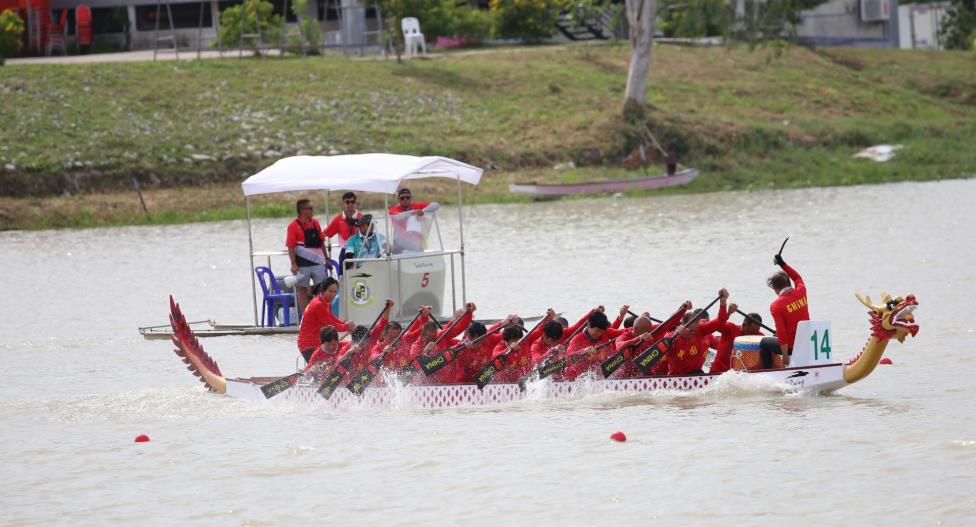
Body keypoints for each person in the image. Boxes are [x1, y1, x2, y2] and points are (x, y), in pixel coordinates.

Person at [665, 289, 730, 376]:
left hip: (697, 374)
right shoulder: (671, 336)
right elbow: (662, 345)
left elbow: (720, 321)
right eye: (690, 330)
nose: (692, 333)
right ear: (682, 325)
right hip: (677, 376)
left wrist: (723, 302)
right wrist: (676, 334)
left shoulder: (701, 329)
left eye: (695, 331)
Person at [287, 199, 331, 315]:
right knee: (302, 291)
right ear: (302, 210)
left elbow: (321, 242)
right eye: (310, 208)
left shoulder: (315, 223)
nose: (313, 210)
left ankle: (321, 314)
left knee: (321, 289)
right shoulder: (292, 226)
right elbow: (291, 246)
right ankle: (306, 316)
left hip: (318, 263)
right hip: (302, 264)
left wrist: (327, 259)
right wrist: (293, 264)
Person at [560, 309, 627, 381]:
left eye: (602, 331)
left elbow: (625, 332)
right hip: (577, 378)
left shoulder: (606, 332)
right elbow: (567, 359)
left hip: (597, 375)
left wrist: (637, 329)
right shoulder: (577, 339)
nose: (599, 334)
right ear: (589, 325)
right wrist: (583, 351)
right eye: (597, 331)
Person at [296, 277, 351, 363]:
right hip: (309, 345)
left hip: (317, 342)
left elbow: (332, 317)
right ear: (323, 291)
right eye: (330, 291)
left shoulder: (324, 301)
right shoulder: (318, 304)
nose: (333, 294)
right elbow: (331, 324)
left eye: (335, 292)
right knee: (320, 371)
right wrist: (346, 327)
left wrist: (345, 324)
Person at [768, 254, 810, 367]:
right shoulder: (801, 290)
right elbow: (797, 277)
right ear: (788, 283)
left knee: (764, 343)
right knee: (774, 337)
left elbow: (782, 332)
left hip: (792, 348)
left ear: (776, 289)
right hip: (806, 342)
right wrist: (782, 263)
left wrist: (785, 356)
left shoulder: (776, 306)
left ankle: (768, 376)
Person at [707, 304, 763, 374]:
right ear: (744, 325)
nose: (754, 335)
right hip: (718, 372)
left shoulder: (759, 336)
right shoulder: (730, 328)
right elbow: (716, 326)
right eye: (752, 332)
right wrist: (728, 313)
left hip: (740, 376)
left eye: (756, 332)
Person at [388, 188, 440, 253]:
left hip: (416, 244)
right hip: (400, 244)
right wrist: (414, 212)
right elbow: (398, 217)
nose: (405, 199)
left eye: (407, 197)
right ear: (398, 199)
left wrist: (422, 211)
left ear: (411, 198)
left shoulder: (417, 206)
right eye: (402, 198)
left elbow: (436, 205)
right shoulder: (393, 210)